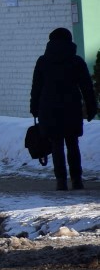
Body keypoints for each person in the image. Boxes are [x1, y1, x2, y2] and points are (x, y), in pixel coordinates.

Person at [30, 27, 97, 191]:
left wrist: (34, 108)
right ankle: (77, 180)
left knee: (56, 144)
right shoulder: (76, 61)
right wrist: (91, 107)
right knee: (73, 143)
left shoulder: (43, 61)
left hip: (49, 108)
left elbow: (36, 87)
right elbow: (87, 87)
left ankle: (61, 181)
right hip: (71, 107)